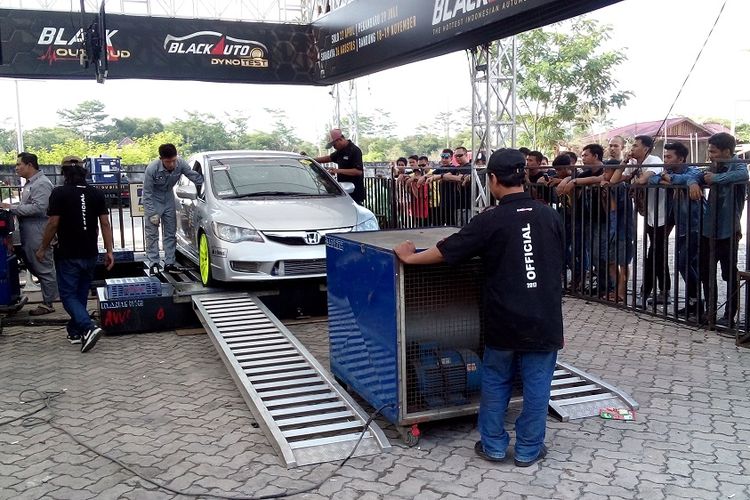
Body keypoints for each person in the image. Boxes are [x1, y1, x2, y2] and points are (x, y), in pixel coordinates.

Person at [394, 148, 563, 467]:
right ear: (524, 177)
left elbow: (447, 250)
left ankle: (494, 446)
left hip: (504, 320)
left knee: (497, 379)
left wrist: (409, 256)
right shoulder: (549, 215)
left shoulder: (490, 219)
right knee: (538, 384)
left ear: (494, 179)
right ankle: (529, 449)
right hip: (545, 320)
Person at [36, 156, 114, 352]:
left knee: (68, 295)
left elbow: (53, 223)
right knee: (80, 293)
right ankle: (75, 330)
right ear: (84, 172)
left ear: (63, 173)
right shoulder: (96, 193)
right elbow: (105, 223)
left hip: (68, 253)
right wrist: (109, 250)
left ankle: (88, 327)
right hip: (90, 252)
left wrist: (42, 248)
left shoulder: (59, 193)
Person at [700, 132, 748, 327]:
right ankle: (709, 311)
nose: (710, 155)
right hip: (709, 227)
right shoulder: (715, 165)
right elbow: (696, 173)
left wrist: (716, 178)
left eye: (713, 151)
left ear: (726, 151)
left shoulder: (737, 165)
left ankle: (730, 314)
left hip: (728, 228)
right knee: (705, 270)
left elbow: (742, 175)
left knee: (729, 273)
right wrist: (695, 181)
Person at [0, 152, 58, 315]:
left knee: (43, 265)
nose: (16, 168)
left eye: (19, 164)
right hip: (29, 230)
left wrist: (11, 208)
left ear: (30, 165)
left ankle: (49, 303)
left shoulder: (41, 184)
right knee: (33, 262)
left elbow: (40, 207)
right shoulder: (31, 183)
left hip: (38, 231)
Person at [658, 142, 705, 318]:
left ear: (681, 158)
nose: (665, 160)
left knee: (685, 263)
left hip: (695, 224)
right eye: (665, 156)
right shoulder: (669, 172)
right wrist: (668, 179)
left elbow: (693, 178)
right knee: (684, 264)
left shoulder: (691, 170)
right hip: (682, 225)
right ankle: (694, 302)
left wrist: (671, 180)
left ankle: (698, 303)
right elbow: (653, 179)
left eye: (669, 157)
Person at [143, 143, 203, 274]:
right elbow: (146, 193)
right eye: (168, 161)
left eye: (173, 160)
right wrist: (152, 212)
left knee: (170, 233)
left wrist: (206, 182)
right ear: (161, 159)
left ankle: (169, 262)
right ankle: (154, 262)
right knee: (152, 234)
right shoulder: (152, 169)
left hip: (169, 198)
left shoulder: (181, 164)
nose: (171, 164)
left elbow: (193, 175)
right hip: (154, 199)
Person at [314, 129, 365, 205]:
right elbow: (328, 158)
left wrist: (337, 171)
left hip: (355, 194)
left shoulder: (355, 150)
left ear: (340, 139)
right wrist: (311, 159)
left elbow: (358, 171)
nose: (334, 148)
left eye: (334, 145)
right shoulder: (340, 151)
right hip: (344, 194)